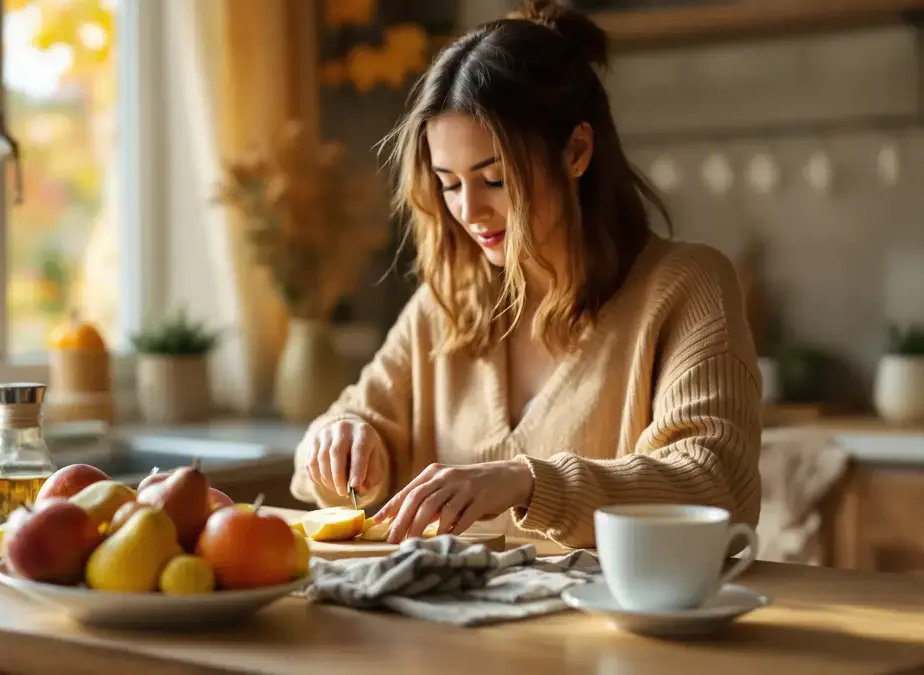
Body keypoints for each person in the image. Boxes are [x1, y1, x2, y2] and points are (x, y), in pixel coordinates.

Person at [289, 0, 762, 549]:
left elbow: (714, 484)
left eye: (494, 179)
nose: (468, 210)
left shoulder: (686, 286)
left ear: (577, 152)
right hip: (445, 632)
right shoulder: (446, 303)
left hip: (610, 631)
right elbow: (336, 435)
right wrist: (337, 440)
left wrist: (528, 482)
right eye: (448, 182)